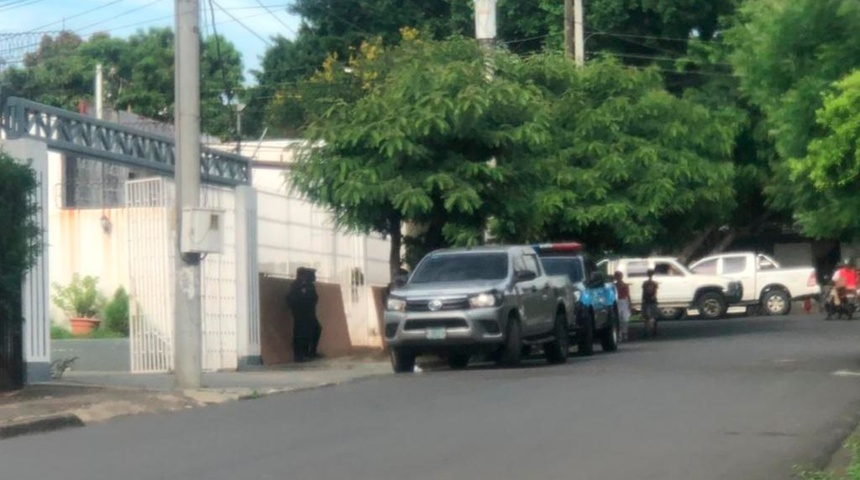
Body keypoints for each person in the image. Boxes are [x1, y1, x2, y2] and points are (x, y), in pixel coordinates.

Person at [287, 267, 322, 362]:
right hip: (301, 315)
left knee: (316, 329)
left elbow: (314, 298)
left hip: (310, 313)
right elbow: (291, 299)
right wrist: (298, 310)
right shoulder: (297, 285)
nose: (314, 277)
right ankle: (299, 355)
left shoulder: (310, 286)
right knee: (301, 334)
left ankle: (310, 352)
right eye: (312, 275)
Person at [614, 271, 631, 342]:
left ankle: (625, 333)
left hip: (624, 301)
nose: (618, 277)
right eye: (617, 276)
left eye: (619, 276)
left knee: (625, 319)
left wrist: (630, 304)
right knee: (618, 319)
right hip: (617, 301)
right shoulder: (614, 285)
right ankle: (619, 334)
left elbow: (628, 295)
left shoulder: (625, 285)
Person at [641, 269, 659, 337]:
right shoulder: (648, 283)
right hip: (648, 300)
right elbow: (644, 292)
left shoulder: (649, 283)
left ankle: (650, 330)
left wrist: (643, 300)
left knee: (650, 316)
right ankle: (650, 331)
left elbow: (655, 291)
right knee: (649, 316)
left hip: (649, 300)